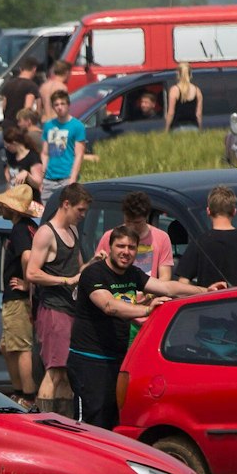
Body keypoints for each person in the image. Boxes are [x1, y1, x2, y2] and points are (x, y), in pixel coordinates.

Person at [70, 226, 214, 429]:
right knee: (90, 425)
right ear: (109, 247)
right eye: (120, 246)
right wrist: (146, 310)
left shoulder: (132, 274)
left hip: (119, 360)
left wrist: (205, 291)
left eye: (131, 247)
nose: (126, 252)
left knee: (114, 422)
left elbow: (167, 287)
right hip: (89, 361)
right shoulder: (94, 274)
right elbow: (109, 306)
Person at [26, 183, 90, 419]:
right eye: (80, 210)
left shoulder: (72, 230)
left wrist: (94, 266)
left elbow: (78, 269)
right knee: (53, 371)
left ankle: (64, 423)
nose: (82, 216)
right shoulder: (46, 233)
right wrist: (65, 281)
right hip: (53, 310)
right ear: (66, 204)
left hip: (71, 309)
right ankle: (43, 423)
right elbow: (32, 273)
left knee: (64, 370)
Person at [0, 184, 41, 406]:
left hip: (17, 299)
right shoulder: (29, 227)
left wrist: (27, 284)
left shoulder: (20, 229)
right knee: (7, 345)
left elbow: (27, 257)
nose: (1, 206)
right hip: (15, 299)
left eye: (5, 204)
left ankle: (26, 397)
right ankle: (19, 391)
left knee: (20, 347)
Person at [176, 186, 237, 289]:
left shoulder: (199, 243)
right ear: (234, 212)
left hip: (209, 303)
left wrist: (201, 291)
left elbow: (183, 282)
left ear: (208, 211)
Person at [94, 191, 173, 279]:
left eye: (137, 222)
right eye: (128, 221)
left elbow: (165, 277)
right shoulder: (110, 236)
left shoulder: (162, 238)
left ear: (146, 217)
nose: (132, 226)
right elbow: (97, 271)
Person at [41, 90, 87, 194]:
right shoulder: (48, 126)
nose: (59, 107)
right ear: (53, 107)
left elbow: (79, 154)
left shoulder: (77, 126)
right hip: (49, 179)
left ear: (68, 105)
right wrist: (42, 177)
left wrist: (73, 178)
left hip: (67, 177)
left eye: (62, 104)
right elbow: (44, 153)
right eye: (56, 105)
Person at [0, 58, 41, 129]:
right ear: (34, 69)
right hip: (21, 125)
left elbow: (4, 106)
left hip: (7, 124)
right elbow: (28, 108)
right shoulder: (31, 86)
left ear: (21, 69)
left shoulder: (9, 84)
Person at [4, 125, 44, 194]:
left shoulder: (32, 157)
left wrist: (27, 175)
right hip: (16, 198)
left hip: (32, 198)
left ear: (14, 143)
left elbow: (39, 184)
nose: (6, 148)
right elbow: (9, 179)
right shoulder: (12, 158)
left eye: (7, 146)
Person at [164, 62, 204, 131]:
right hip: (194, 127)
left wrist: (166, 129)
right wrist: (200, 129)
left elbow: (171, 113)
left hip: (177, 128)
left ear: (178, 73)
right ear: (190, 74)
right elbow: (198, 114)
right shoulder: (197, 90)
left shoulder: (174, 90)